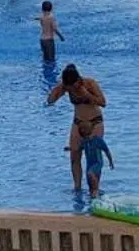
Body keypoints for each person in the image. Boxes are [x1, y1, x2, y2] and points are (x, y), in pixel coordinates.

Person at [45, 64, 107, 192]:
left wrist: (87, 95)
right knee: (74, 156)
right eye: (69, 87)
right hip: (78, 123)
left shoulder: (90, 83)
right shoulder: (66, 87)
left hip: (95, 122)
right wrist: (57, 90)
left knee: (93, 157)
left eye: (74, 86)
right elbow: (50, 101)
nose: (73, 89)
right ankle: (77, 188)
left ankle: (94, 189)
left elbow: (103, 102)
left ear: (78, 80)